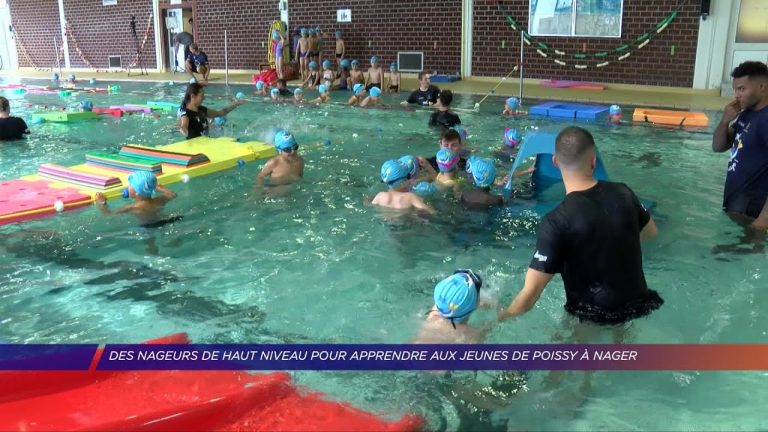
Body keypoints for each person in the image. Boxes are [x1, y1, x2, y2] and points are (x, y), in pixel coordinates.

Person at [499, 126, 662, 325]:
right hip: (638, 303)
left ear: (555, 162)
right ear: (594, 160)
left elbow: (531, 294)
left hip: (593, 314)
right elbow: (651, 232)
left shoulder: (556, 221)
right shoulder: (624, 192)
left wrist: (496, 320)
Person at [712, 61, 768, 230]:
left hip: (754, 212)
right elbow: (718, 147)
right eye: (735, 89)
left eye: (742, 89)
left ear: (762, 87)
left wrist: (763, 221)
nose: (737, 95)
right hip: (739, 205)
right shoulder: (747, 114)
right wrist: (724, 121)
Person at [413, 270, 484, 344]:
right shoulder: (470, 334)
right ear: (476, 304)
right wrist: (496, 319)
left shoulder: (433, 314)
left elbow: (447, 300)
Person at [94, 171, 179, 228]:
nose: (128, 186)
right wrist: (160, 188)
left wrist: (102, 203)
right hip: (164, 221)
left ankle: (152, 247)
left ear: (137, 193)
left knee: (150, 240)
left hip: (147, 227)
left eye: (130, 185)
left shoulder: (132, 207)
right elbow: (173, 194)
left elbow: (109, 215)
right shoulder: (159, 200)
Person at [178, 83, 243, 139]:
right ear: (193, 96)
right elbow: (183, 127)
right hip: (196, 148)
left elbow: (221, 113)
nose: (204, 98)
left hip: (207, 144)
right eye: (201, 96)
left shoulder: (202, 109)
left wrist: (235, 105)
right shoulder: (186, 114)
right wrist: (185, 131)